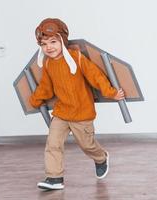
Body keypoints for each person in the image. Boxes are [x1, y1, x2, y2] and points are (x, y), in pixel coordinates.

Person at [29, 18, 125, 190]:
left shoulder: (77, 58)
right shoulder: (48, 64)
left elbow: (96, 77)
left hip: (82, 113)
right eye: (44, 44)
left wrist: (111, 92)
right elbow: (46, 88)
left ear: (62, 41)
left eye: (53, 42)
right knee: (53, 143)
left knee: (87, 145)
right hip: (61, 112)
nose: (49, 47)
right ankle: (54, 177)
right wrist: (35, 99)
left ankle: (101, 157)